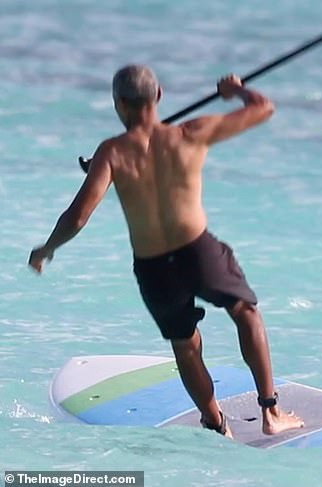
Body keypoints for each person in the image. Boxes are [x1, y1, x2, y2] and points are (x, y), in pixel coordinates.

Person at [29, 64, 304, 438]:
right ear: (158, 96)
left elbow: (78, 217)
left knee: (185, 344)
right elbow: (264, 108)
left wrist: (47, 248)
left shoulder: (111, 152)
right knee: (246, 312)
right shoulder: (191, 133)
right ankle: (271, 413)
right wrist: (236, 90)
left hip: (154, 268)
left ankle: (215, 423)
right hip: (198, 252)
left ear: (119, 104)